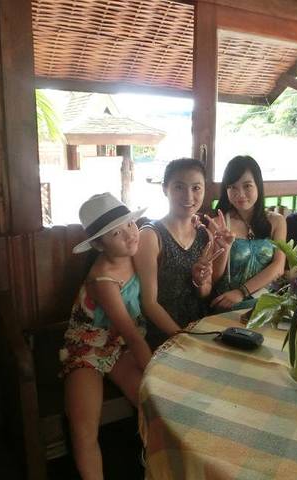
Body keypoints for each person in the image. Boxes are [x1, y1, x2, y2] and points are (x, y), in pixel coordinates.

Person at [60, 192, 152, 480]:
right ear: (99, 244)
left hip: (121, 346)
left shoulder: (138, 253)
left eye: (130, 224)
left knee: (152, 404)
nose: (129, 234)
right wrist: (156, 370)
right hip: (88, 345)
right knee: (83, 428)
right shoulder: (102, 278)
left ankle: (158, 467)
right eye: (116, 233)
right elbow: (131, 333)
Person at [134, 158, 222, 350]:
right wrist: (184, 339)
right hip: (163, 334)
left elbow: (205, 292)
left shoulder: (205, 235)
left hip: (200, 328)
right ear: (165, 189)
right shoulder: (150, 236)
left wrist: (200, 281)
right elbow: (149, 303)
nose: (188, 196)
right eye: (179, 187)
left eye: (196, 188)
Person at [211, 155, 286, 311]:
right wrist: (224, 249)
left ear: (258, 185)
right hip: (229, 304)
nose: (240, 194)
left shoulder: (277, 221)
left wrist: (242, 292)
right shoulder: (219, 224)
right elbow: (214, 278)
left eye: (247, 186)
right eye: (233, 187)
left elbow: (279, 266)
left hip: (266, 304)